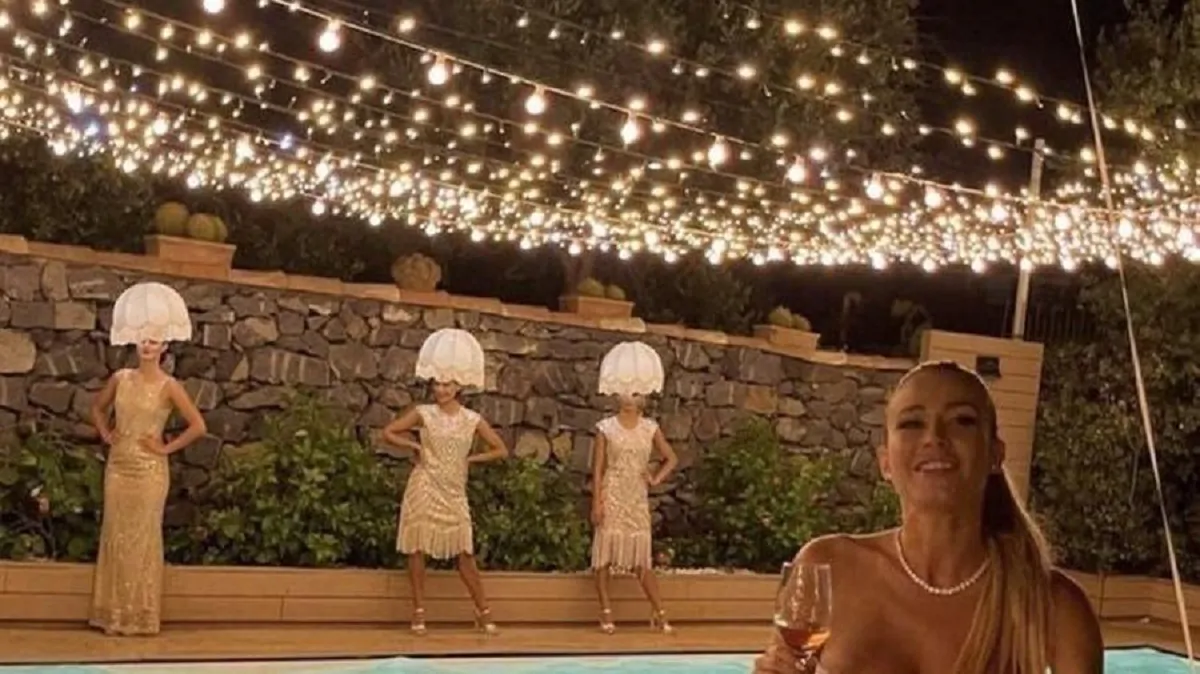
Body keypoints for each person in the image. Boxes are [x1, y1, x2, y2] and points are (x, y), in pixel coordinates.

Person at [753, 360, 1103, 674]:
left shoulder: (1052, 605)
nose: (934, 437)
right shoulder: (826, 567)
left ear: (995, 455)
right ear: (885, 462)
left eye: (962, 421)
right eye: (911, 423)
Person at [88, 339, 207, 636]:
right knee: (115, 535)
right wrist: (106, 434)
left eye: (154, 341)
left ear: (164, 346)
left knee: (142, 539)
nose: (148, 345)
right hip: (118, 467)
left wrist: (165, 448)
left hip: (149, 471)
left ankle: (140, 616)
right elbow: (97, 409)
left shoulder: (169, 386)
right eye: (144, 339)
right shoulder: (120, 378)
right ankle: (113, 615)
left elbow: (198, 425)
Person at [383, 379, 509, 636]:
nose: (441, 390)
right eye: (438, 385)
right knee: (417, 547)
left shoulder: (472, 419)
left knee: (464, 551)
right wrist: (414, 445)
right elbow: (389, 432)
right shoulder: (424, 412)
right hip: (425, 483)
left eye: (447, 385)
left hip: (453, 490)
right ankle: (418, 610)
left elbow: (500, 449)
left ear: (458, 388)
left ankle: (483, 609)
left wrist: (470, 459)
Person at [590, 393, 680, 635]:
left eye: (635, 394)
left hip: (636, 497)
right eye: (626, 393)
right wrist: (597, 502)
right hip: (612, 493)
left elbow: (671, 458)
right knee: (604, 555)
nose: (629, 398)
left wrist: (655, 478)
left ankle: (659, 611)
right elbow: (598, 469)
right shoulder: (606, 427)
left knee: (642, 558)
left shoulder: (650, 427)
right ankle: (605, 610)